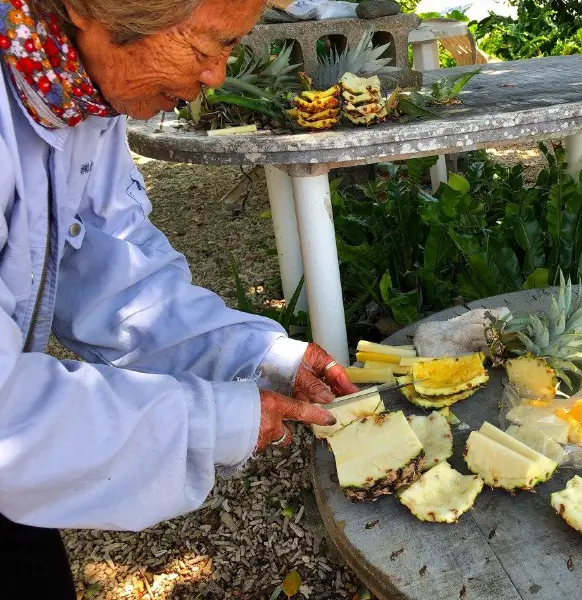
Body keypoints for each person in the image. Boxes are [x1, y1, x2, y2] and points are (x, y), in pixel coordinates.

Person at [0, 0, 357, 596]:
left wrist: (261, 357)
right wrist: (211, 419)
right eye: (204, 47)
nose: (216, 76)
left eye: (230, 50)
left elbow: (116, 274)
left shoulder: (80, 88)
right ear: (96, 9)